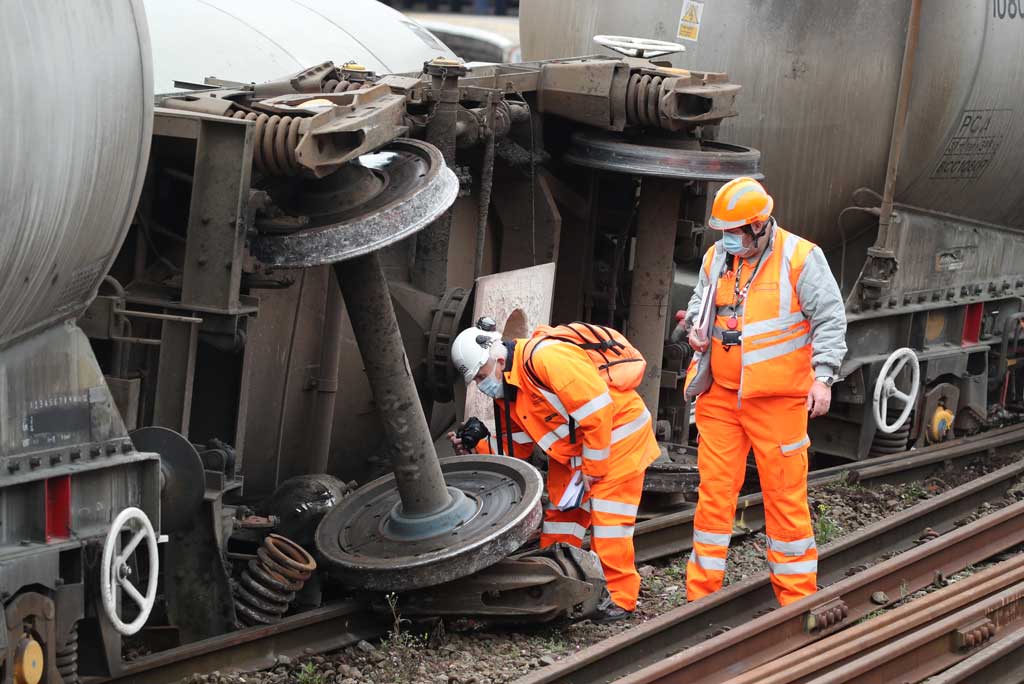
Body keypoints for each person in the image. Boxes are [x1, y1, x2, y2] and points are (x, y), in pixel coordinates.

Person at [674, 176, 847, 607]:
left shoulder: (801, 258)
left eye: (734, 231)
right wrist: (696, 329)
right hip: (720, 399)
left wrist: (823, 377)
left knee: (785, 500)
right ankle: (699, 599)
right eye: (723, 232)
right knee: (713, 498)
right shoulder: (717, 257)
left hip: (778, 402)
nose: (727, 239)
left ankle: (796, 601)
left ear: (759, 225)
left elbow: (830, 319)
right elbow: (700, 302)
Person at [449, 321, 660, 621]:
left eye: (482, 377)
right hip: (578, 453)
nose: (482, 386)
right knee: (561, 518)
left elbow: (598, 411)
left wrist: (593, 468)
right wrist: (475, 448)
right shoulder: (511, 386)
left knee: (609, 523)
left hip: (617, 439)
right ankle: (560, 583)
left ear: (497, 361)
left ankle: (620, 598)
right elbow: (516, 447)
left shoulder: (546, 358)